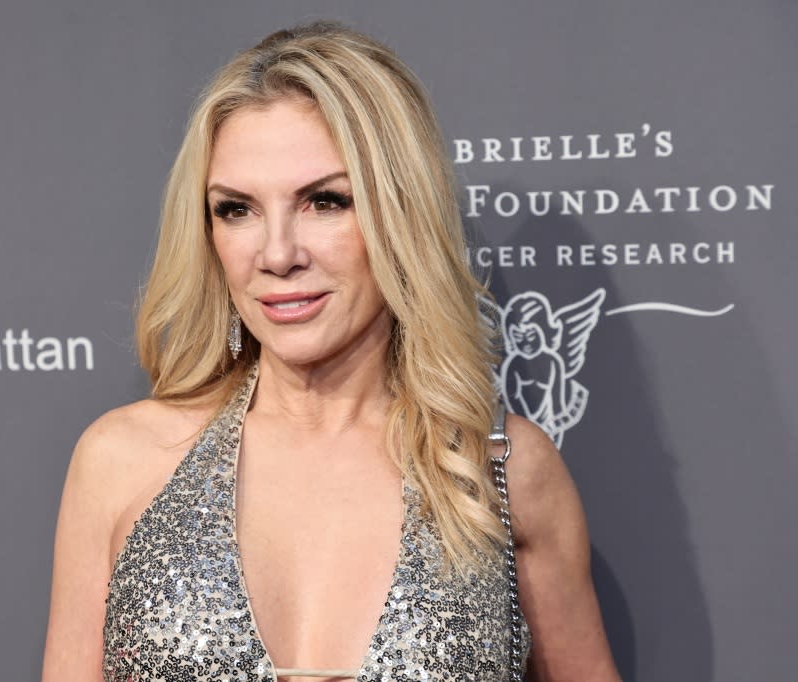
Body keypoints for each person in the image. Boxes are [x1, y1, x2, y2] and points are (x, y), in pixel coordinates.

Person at [42, 21, 620, 682]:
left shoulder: (504, 475)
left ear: (399, 215)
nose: (278, 253)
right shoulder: (122, 463)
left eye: (325, 201)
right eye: (237, 210)